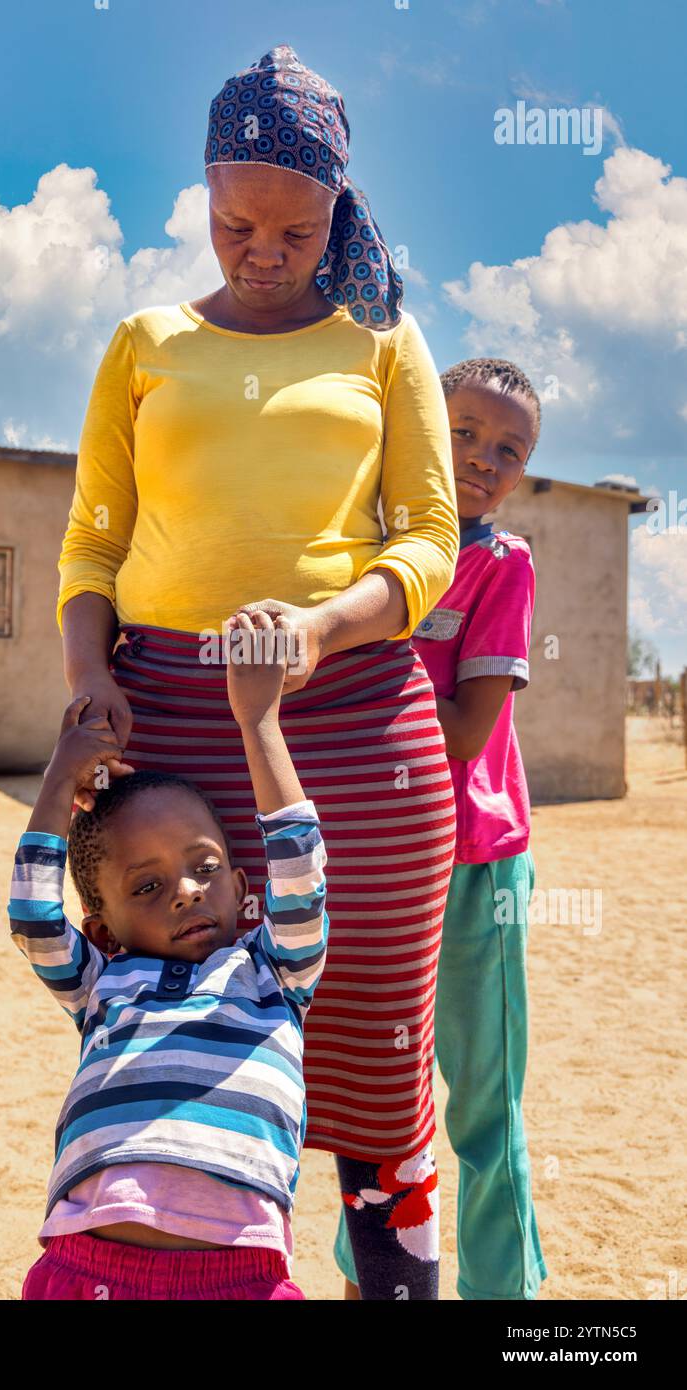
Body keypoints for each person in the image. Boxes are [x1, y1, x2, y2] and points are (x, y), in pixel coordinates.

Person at [56, 44, 460, 1299]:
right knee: (187, 1038)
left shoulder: (385, 343)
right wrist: (89, 683)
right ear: (205, 198)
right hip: (169, 742)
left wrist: (323, 628)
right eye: (237, 224)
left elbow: (430, 538)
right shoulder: (144, 341)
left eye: (292, 230)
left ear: (337, 208)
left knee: (376, 1082)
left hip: (350, 728)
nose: (263, 251)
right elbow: (93, 540)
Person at [11, 611, 328, 1300]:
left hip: (241, 1274)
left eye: (205, 867)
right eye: (147, 886)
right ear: (102, 930)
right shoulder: (102, 983)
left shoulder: (274, 972)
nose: (185, 892)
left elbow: (300, 872)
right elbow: (34, 919)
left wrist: (259, 721)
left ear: (243, 889)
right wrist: (59, 780)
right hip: (85, 1268)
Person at [334, 358, 548, 1300]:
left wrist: (363, 669)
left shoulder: (500, 566)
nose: (482, 459)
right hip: (379, 858)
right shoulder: (359, 552)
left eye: (509, 448)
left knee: (484, 1105)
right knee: (379, 1104)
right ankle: (369, 1279)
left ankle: (505, 1299)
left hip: (474, 861)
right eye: (461, 432)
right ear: (418, 428)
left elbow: (466, 732)